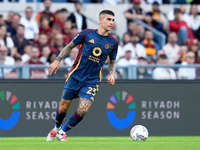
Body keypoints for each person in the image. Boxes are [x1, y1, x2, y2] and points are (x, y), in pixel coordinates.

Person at [46, 10, 118, 142]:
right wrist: (57, 60)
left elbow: (112, 62)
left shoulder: (113, 42)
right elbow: (69, 46)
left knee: (83, 109)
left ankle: (62, 132)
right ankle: (56, 129)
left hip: (92, 80)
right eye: (109, 19)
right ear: (101, 20)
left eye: (113, 20)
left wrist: (112, 74)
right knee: (63, 106)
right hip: (75, 76)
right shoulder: (87, 34)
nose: (111, 22)